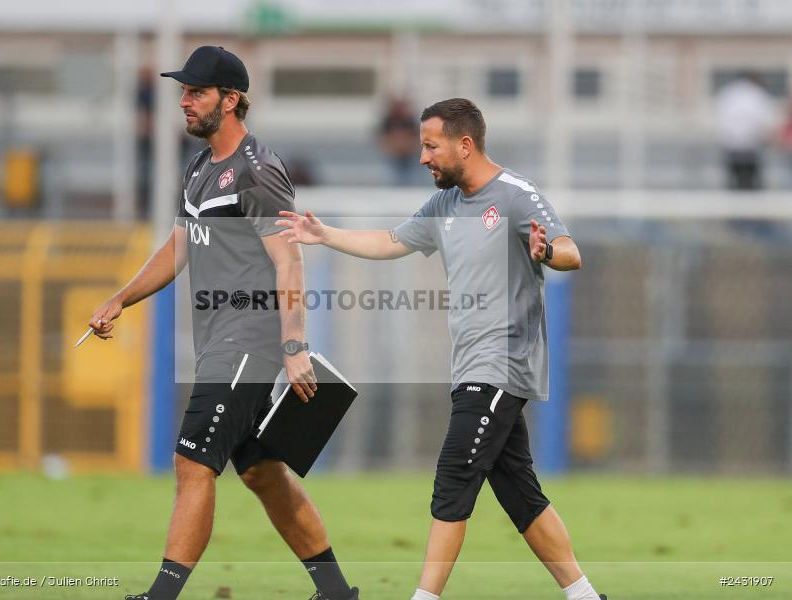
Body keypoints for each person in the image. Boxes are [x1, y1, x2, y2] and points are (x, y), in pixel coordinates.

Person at [278, 98, 606, 600]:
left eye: (431, 146)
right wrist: (324, 235)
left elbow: (570, 252)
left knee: (454, 474)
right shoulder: (445, 205)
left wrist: (544, 250)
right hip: (471, 366)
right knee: (519, 492)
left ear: (464, 144)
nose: (423, 156)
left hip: (502, 364)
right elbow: (391, 241)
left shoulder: (515, 195)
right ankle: (584, 595)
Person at [88, 46, 358, 600]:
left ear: (230, 100)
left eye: (196, 92)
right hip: (221, 342)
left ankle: (161, 595)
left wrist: (293, 345)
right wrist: (122, 297)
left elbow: (289, 258)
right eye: (183, 91)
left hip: (247, 339)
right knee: (260, 472)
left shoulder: (256, 171)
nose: (184, 102)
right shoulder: (198, 168)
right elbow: (178, 246)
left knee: (192, 461)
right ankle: (336, 592)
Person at [715, 72, 777, 190]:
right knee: (751, 179)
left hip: (732, 143)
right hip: (751, 143)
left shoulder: (728, 93)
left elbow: (722, 118)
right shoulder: (757, 94)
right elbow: (764, 119)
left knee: (735, 178)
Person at [378, 97, 421, 185]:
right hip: (393, 156)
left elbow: (418, 139)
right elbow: (382, 139)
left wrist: (406, 145)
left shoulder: (410, 120)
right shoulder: (388, 121)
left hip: (409, 156)